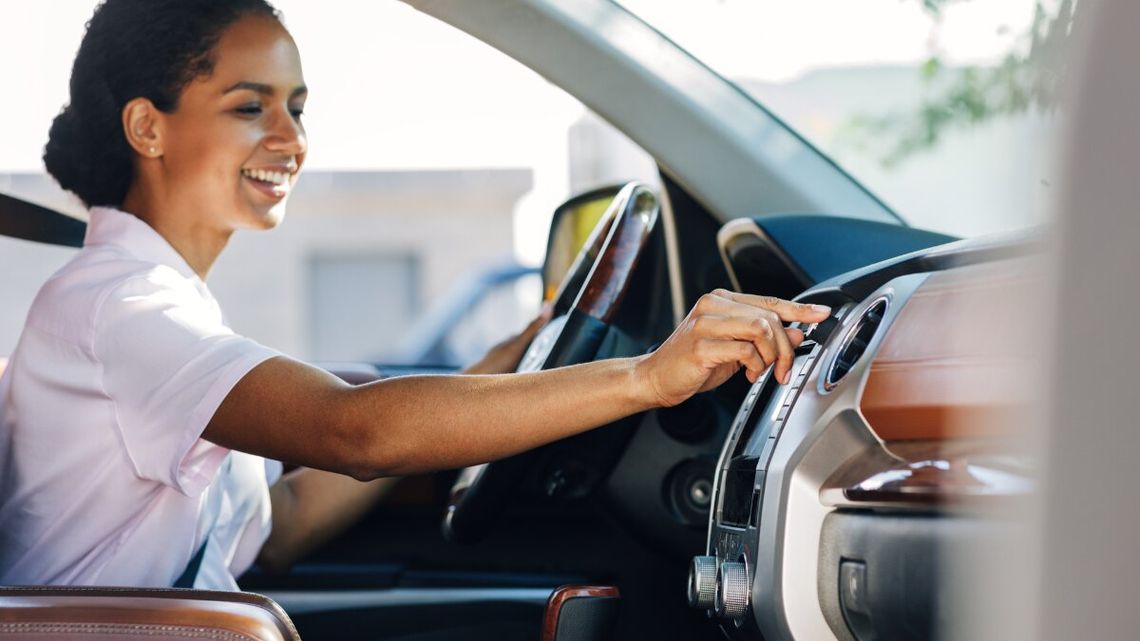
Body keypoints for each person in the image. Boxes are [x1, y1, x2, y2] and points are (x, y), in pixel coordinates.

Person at [0, 0, 829, 592]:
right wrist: (650, 377)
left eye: (297, 107)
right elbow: (354, 430)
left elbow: (281, 526)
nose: (290, 139)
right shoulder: (123, 310)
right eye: (250, 107)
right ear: (148, 128)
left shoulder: (153, 304)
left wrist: (494, 370)